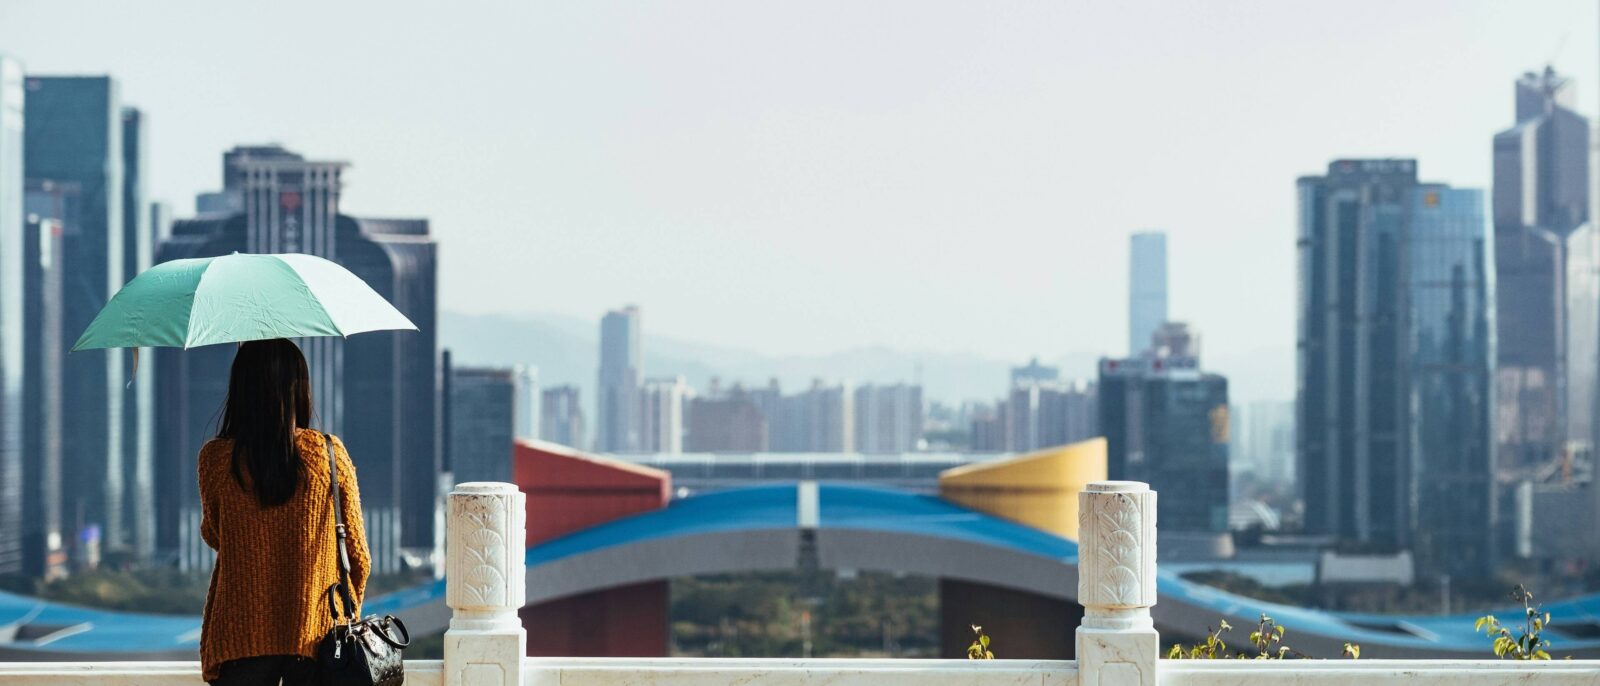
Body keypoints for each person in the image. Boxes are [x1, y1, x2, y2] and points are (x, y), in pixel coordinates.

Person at [198, 339, 371, 685]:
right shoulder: (328, 454)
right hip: (317, 642)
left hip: (239, 639)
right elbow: (359, 558)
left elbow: (216, 534)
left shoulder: (216, 459)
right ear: (300, 389)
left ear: (240, 389)